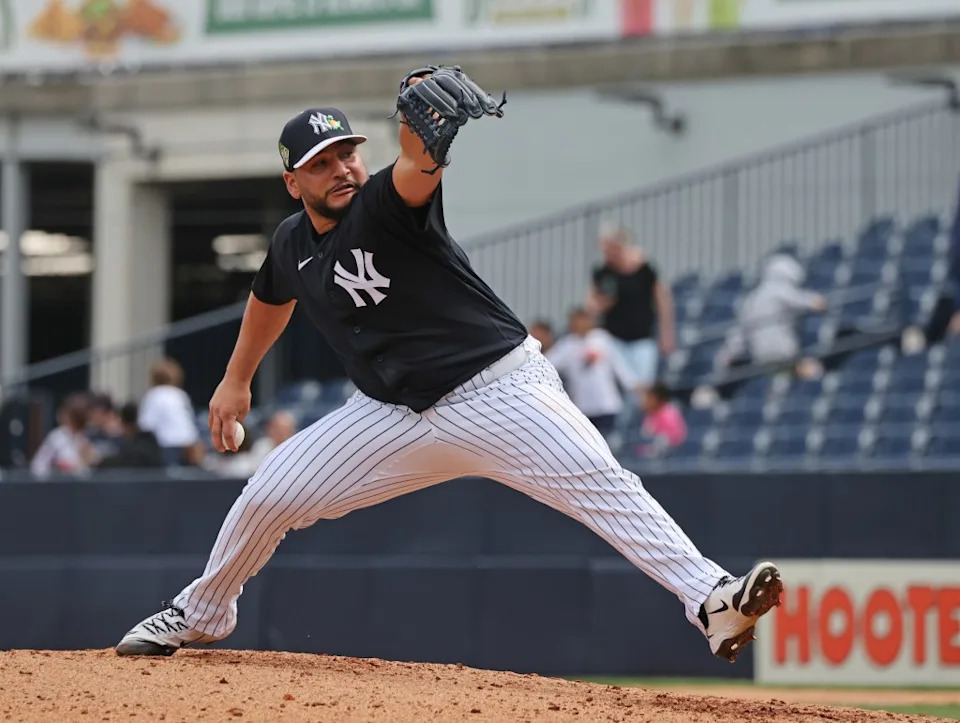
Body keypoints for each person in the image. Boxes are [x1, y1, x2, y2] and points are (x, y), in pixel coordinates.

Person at [115, 66, 782, 663]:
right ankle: (203, 611)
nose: (343, 167)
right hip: (389, 414)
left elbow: (416, 171)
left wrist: (428, 145)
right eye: (323, 162)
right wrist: (236, 380)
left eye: (348, 151)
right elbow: (268, 296)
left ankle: (713, 600)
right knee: (267, 494)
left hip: (498, 390)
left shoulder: (383, 204)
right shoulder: (292, 242)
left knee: (605, 484)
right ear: (294, 182)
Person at [589, 227, 676, 390]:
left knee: (641, 387)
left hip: (641, 339)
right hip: (614, 340)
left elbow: (663, 300)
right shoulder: (603, 273)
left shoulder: (644, 269)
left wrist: (667, 334)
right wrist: (602, 304)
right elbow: (591, 305)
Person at [718, 253, 827, 372]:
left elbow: (738, 334)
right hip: (785, 353)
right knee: (814, 371)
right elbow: (806, 301)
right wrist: (819, 302)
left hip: (761, 357)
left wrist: (728, 354)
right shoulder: (780, 289)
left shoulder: (750, 299)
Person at [546, 307, 641, 437]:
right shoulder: (566, 345)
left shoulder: (602, 339)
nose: (578, 325)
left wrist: (633, 384)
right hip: (583, 408)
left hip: (607, 405)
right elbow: (547, 363)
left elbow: (618, 364)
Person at [137, 358, 203, 466]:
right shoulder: (180, 395)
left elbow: (146, 425)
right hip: (189, 445)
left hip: (167, 447)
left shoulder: (153, 395)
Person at [29, 392, 94, 479]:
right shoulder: (56, 438)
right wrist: (55, 470)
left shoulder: (87, 438)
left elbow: (89, 470)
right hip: (58, 487)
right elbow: (37, 467)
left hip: (82, 488)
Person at [97, 402, 163, 470]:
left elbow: (124, 461)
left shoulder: (143, 446)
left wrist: (98, 461)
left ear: (126, 425)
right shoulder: (148, 441)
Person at [637, 383, 687, 458]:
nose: (646, 400)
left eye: (650, 397)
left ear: (657, 398)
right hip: (649, 459)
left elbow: (676, 439)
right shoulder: (649, 415)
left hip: (670, 457)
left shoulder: (669, 412)